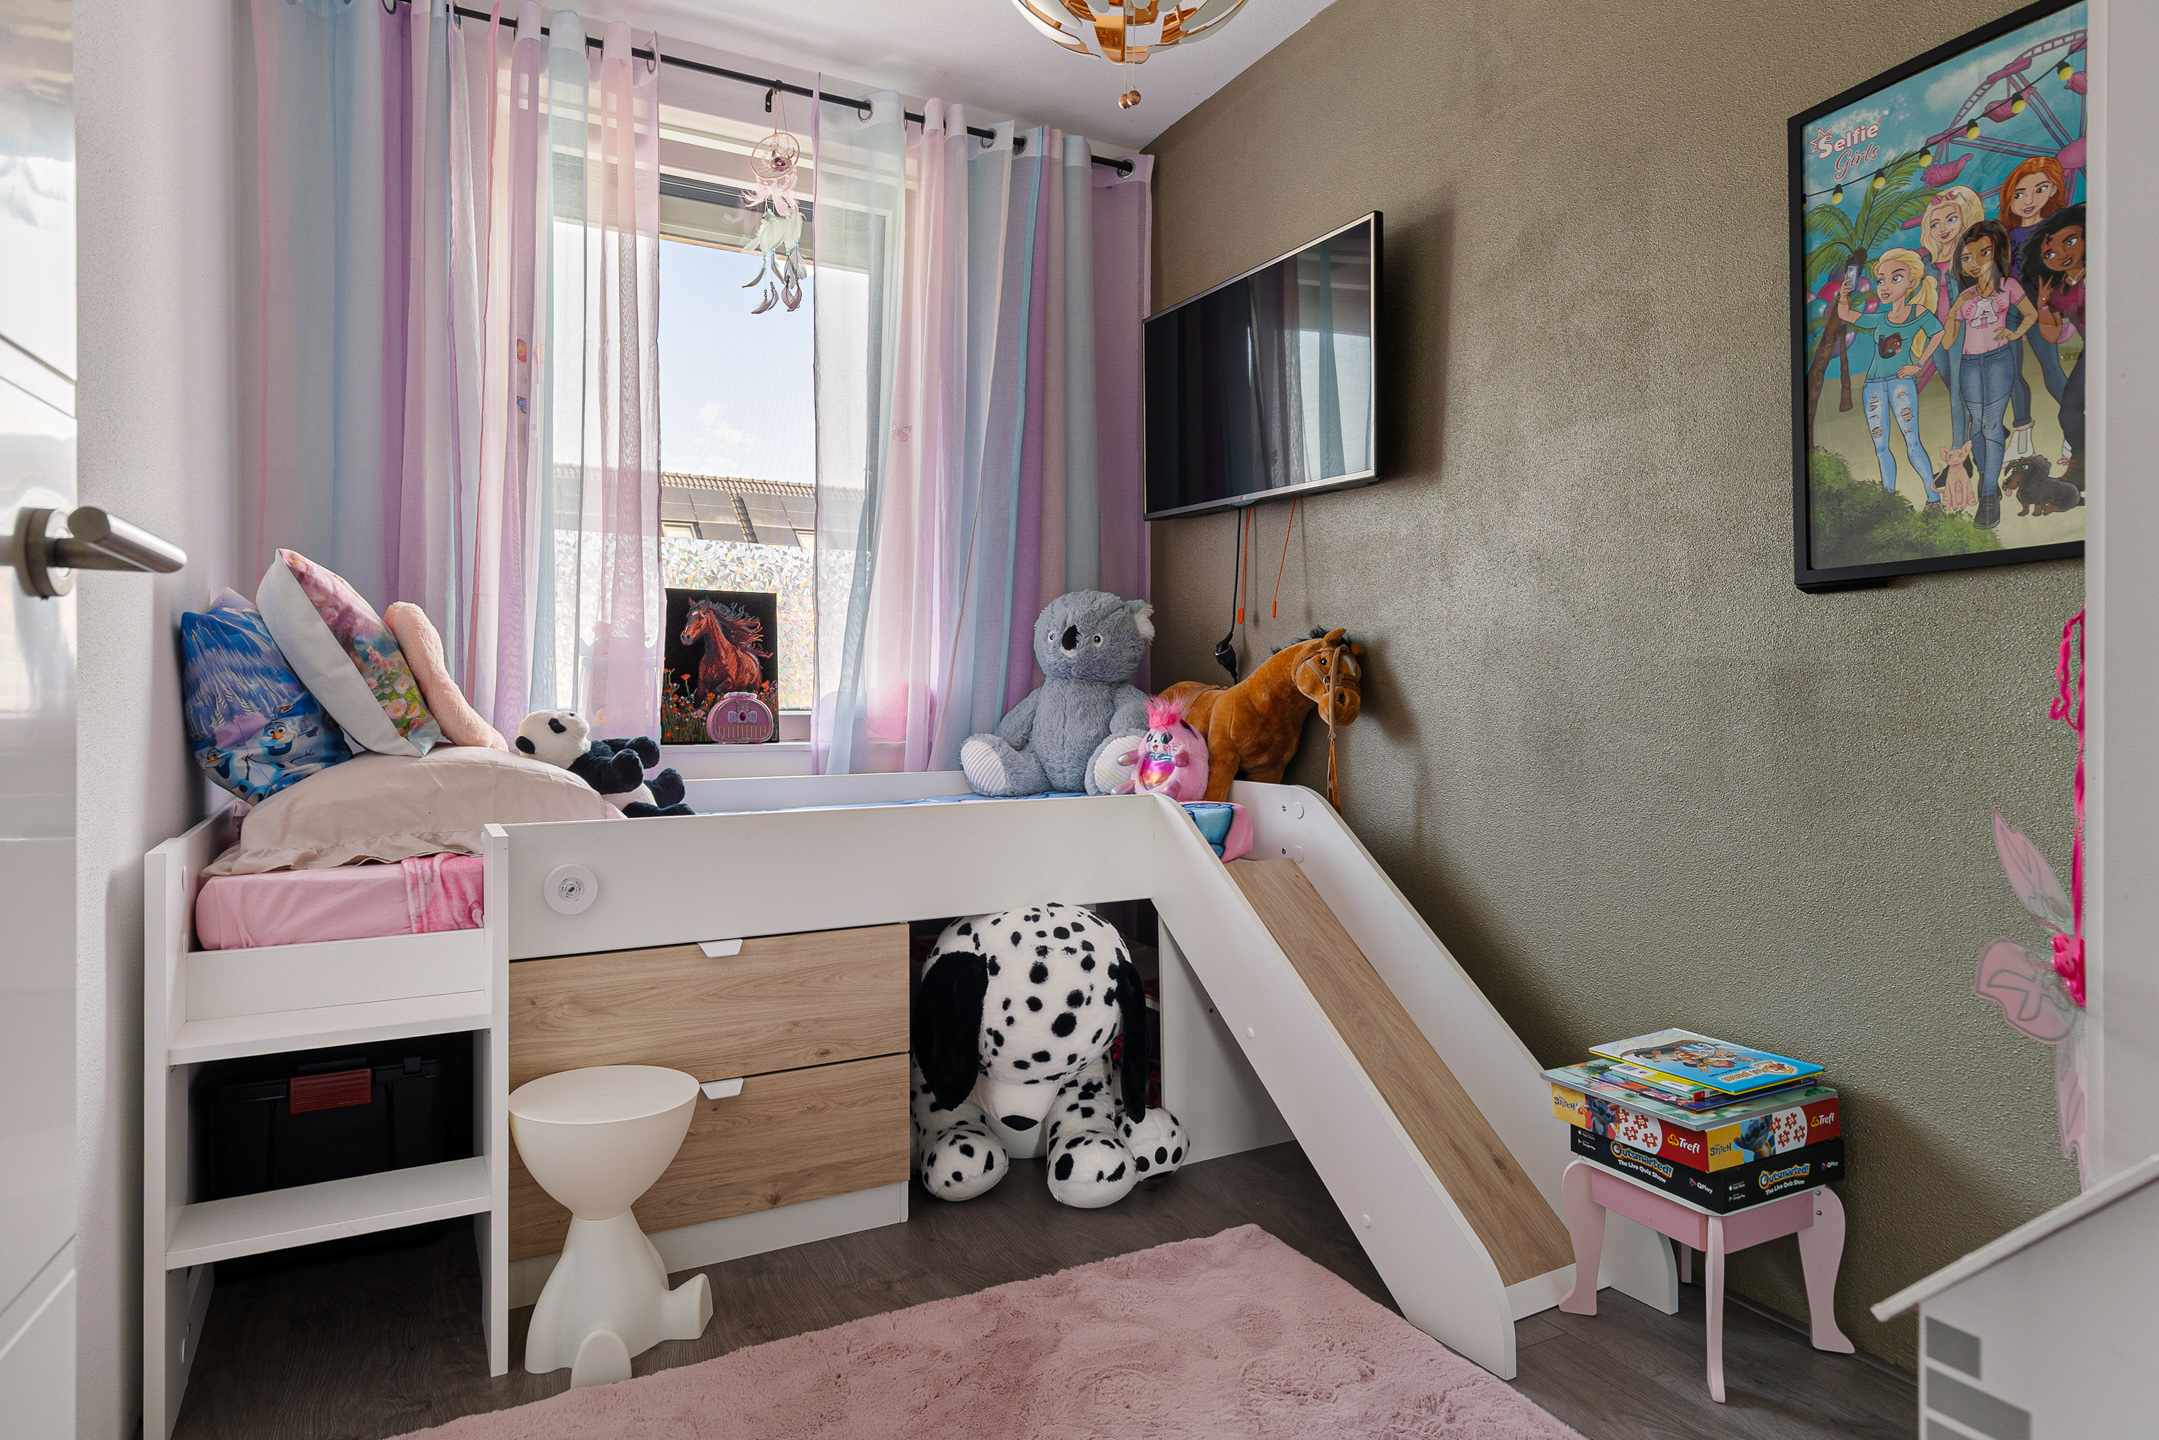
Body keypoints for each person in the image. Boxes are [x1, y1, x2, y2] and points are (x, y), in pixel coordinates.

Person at [1941, 220, 2039, 531]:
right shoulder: (1966, 295)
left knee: (1992, 425)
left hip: (1998, 361)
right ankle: (1988, 478)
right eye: (1966, 257)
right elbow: (1947, 342)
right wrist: (1954, 310)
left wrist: (2016, 333)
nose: (1974, 262)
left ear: (1997, 253)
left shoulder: (2009, 286)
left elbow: (2031, 314)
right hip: (1970, 364)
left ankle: (1987, 497)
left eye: (1983, 253)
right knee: (1977, 425)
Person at [1837, 249, 1946, 510]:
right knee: (1881, 448)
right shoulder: (1880, 319)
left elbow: (1938, 333)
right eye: (1881, 280)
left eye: (1895, 278)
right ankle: (1889, 504)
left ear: (1912, 281)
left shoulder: (1918, 312)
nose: (1885, 287)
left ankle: (1934, 501)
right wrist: (1843, 296)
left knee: (1912, 443)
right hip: (1873, 387)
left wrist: (1918, 365)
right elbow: (1847, 315)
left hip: (1900, 384)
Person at [1995, 156, 2072, 458]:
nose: (2028, 201)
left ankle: (2074, 428)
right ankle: (2022, 435)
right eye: (2020, 194)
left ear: (2053, 189)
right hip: (2009, 309)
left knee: (2051, 368)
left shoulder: (2055, 229)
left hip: (2040, 306)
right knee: (2012, 373)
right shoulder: (2005, 234)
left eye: (2039, 190)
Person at [2019, 203, 2086, 485]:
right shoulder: (2059, 291)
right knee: (2068, 411)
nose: (2062, 254)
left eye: (2070, 241)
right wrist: (2044, 304)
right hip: (2093, 353)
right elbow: (2052, 336)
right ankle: (2083, 468)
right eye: (2050, 254)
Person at [1918, 186, 1985, 450]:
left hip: (1962, 327)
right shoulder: (1928, 261)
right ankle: (1981, 426)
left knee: (1958, 389)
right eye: (1935, 224)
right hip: (1937, 330)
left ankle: (1959, 449)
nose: (1943, 228)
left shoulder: (1969, 254)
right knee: (1951, 383)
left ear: (1964, 218)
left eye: (1951, 219)